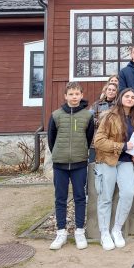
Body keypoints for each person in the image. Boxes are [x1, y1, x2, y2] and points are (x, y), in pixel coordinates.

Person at [47, 81, 95, 250]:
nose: (74, 97)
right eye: (71, 94)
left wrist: (79, 152)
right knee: (60, 198)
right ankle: (61, 232)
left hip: (79, 163)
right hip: (60, 164)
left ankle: (79, 231)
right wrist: (59, 154)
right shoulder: (56, 115)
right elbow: (51, 139)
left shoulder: (87, 116)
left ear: (81, 95)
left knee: (80, 197)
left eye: (77, 94)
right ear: (65, 96)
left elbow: (88, 137)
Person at [93, 88, 134, 250]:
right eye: (127, 96)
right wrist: (121, 146)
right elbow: (98, 141)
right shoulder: (109, 116)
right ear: (121, 98)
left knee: (128, 194)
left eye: (132, 97)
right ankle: (104, 233)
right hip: (107, 160)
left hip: (126, 161)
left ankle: (117, 229)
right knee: (105, 197)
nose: (130, 99)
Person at [89, 82, 118, 163]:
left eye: (113, 90)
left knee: (108, 164)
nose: (111, 91)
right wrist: (101, 123)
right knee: (93, 164)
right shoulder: (97, 104)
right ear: (105, 91)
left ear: (116, 92)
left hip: (112, 139)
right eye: (109, 89)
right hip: (96, 138)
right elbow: (90, 118)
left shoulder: (118, 106)